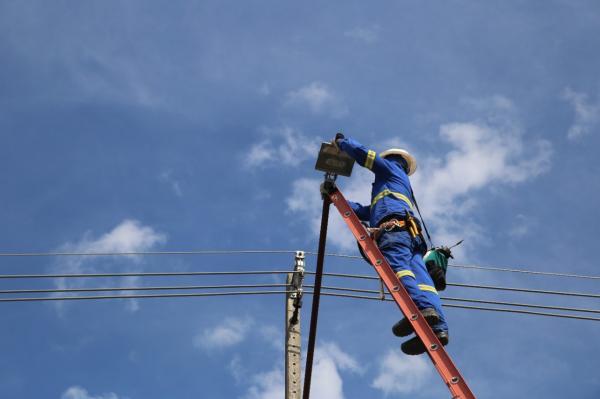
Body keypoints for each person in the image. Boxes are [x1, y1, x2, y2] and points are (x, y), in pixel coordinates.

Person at [331, 133, 449, 355]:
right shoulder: (395, 186)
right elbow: (367, 212)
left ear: (391, 159)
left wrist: (342, 143)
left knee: (399, 270)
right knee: (424, 283)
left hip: (396, 232)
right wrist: (335, 197)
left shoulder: (389, 169)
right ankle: (439, 328)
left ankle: (421, 310)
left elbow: (366, 156)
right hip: (412, 236)